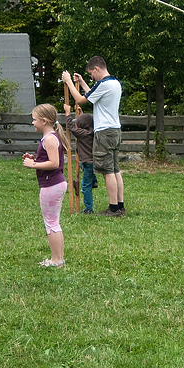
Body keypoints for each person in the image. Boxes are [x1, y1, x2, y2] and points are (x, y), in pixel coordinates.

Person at [61, 56, 125, 216]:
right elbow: (94, 98)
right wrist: (82, 82)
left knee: (107, 171)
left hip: (104, 132)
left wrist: (69, 82)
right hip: (115, 130)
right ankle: (120, 206)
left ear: (96, 68)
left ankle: (113, 209)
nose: (92, 77)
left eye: (91, 74)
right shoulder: (114, 83)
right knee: (115, 169)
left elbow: (81, 100)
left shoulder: (103, 84)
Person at [22, 104, 68, 267]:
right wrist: (35, 160)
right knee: (54, 222)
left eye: (34, 120)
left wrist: (33, 165)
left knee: (51, 223)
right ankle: (59, 259)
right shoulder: (51, 137)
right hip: (56, 183)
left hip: (51, 184)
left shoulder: (49, 138)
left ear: (43, 121)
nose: (33, 123)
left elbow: (54, 163)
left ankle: (56, 260)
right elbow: (49, 159)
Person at [64, 102, 96, 214]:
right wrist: (80, 113)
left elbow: (71, 127)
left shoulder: (82, 133)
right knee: (86, 169)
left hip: (87, 161)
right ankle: (94, 180)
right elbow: (83, 122)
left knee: (85, 186)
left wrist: (68, 114)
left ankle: (88, 209)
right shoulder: (90, 130)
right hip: (91, 161)